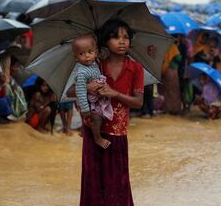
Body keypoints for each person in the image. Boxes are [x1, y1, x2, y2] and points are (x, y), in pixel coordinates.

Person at [69, 19, 144, 206]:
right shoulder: (94, 64)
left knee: (118, 182)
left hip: (117, 134)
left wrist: (115, 93)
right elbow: (70, 92)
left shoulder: (135, 68)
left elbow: (138, 102)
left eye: (126, 37)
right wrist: (88, 86)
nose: (122, 42)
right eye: (116, 37)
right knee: (92, 181)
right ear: (104, 42)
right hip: (93, 131)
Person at [73, 34, 113, 149]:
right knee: (96, 118)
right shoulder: (81, 73)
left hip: (95, 98)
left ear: (95, 52)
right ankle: (97, 138)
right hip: (88, 102)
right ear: (76, 58)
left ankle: (84, 130)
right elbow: (80, 91)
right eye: (82, 54)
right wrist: (85, 110)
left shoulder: (94, 64)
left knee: (98, 118)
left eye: (90, 52)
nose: (87, 56)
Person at [161, 43, 183, 114]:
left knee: (166, 90)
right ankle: (175, 109)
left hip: (164, 69)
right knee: (174, 90)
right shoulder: (173, 46)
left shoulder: (164, 45)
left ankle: (167, 108)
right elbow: (178, 58)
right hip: (172, 71)